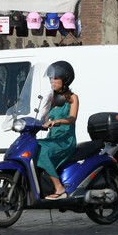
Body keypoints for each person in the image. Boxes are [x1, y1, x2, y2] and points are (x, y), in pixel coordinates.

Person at [37, 61, 79, 200]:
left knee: (42, 151)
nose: (52, 81)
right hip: (52, 139)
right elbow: (43, 117)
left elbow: (72, 118)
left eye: (55, 78)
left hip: (65, 140)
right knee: (33, 146)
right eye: (50, 78)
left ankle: (59, 188)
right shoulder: (51, 98)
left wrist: (57, 121)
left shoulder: (73, 98)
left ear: (65, 80)